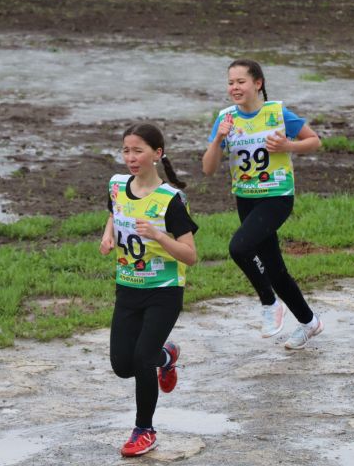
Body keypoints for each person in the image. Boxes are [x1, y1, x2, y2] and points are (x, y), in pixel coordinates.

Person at [202, 59, 323, 350]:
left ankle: (270, 302)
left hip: (277, 196)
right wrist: (218, 138)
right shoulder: (226, 119)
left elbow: (314, 140)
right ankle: (309, 323)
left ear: (258, 83)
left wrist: (288, 147)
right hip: (246, 199)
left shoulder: (277, 113)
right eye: (230, 82)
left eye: (240, 81)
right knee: (275, 268)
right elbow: (207, 169)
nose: (234, 87)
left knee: (239, 247)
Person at [100, 123, 198, 457]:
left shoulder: (171, 200)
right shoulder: (116, 185)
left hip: (164, 291)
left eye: (138, 150)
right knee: (123, 365)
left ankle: (144, 430)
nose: (130, 157)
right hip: (127, 289)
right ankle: (167, 355)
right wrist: (108, 233)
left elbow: (191, 255)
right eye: (126, 150)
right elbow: (117, 211)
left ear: (157, 154)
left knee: (142, 358)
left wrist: (158, 236)